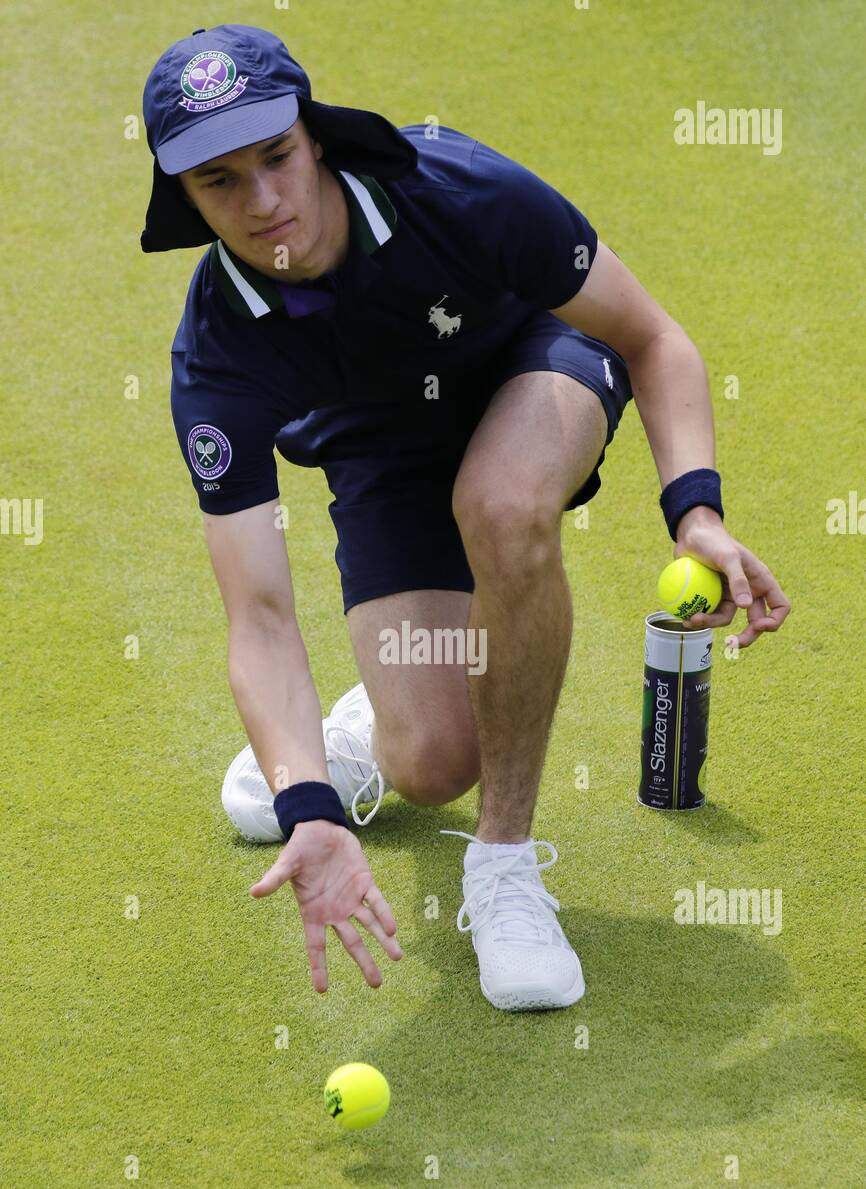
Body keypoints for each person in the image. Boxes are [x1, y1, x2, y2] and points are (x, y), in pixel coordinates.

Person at [141, 24, 790, 1012]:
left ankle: (503, 868)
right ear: (183, 199)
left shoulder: (455, 191)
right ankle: (361, 728)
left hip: (533, 361)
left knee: (501, 501)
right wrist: (307, 807)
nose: (266, 202)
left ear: (314, 137)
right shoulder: (217, 357)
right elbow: (260, 615)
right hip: (382, 449)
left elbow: (652, 339)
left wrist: (693, 512)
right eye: (220, 182)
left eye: (276, 157)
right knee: (433, 762)